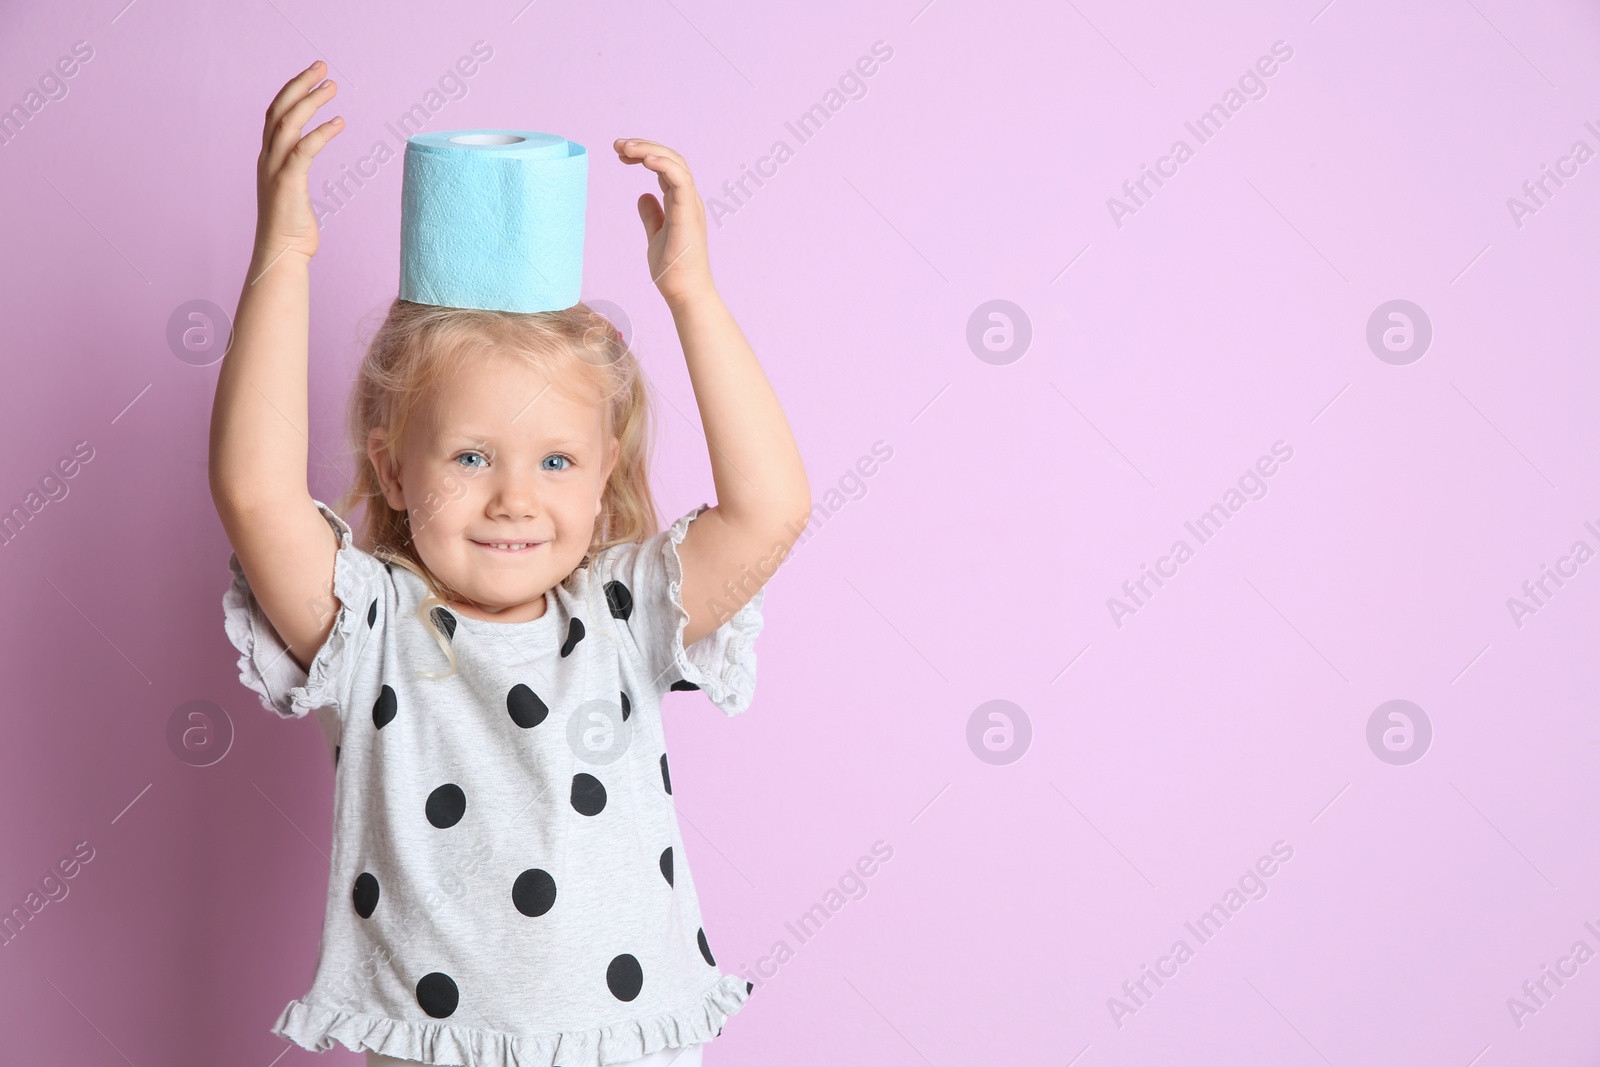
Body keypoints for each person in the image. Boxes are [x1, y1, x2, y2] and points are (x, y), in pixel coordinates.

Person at [210, 60, 810, 1067]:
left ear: (603, 469)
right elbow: (257, 493)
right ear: (390, 468)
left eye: (556, 459)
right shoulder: (370, 628)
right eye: (470, 455)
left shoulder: (626, 615)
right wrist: (284, 256)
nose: (515, 497)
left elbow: (770, 509)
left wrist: (691, 293)